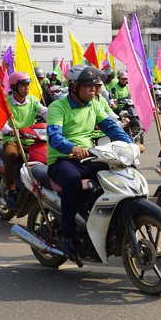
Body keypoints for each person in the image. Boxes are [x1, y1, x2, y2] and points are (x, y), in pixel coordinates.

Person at [46, 65, 134, 257]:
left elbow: (111, 127)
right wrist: (73, 148)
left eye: (96, 86)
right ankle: (69, 236)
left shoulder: (94, 104)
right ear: (73, 86)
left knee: (118, 173)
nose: (94, 91)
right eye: (89, 86)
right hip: (62, 160)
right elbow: (54, 136)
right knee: (72, 182)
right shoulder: (57, 107)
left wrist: (130, 144)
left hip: (88, 156)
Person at [1, 72, 48, 208]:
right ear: (14, 87)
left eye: (28, 85)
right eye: (23, 85)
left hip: (32, 139)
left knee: (46, 156)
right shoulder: (6, 102)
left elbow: (43, 111)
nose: (27, 88)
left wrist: (55, 119)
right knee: (11, 155)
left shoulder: (32, 100)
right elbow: (1, 121)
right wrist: (9, 130)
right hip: (13, 139)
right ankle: (11, 190)